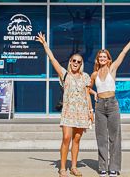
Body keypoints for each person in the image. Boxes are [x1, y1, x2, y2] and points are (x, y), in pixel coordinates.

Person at [37, 32, 92, 177]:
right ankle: (62, 168)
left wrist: (90, 111)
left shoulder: (85, 76)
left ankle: (74, 167)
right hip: (68, 111)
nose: (75, 63)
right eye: (73, 60)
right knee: (66, 137)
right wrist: (44, 44)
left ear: (81, 64)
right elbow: (53, 59)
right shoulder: (64, 74)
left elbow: (87, 95)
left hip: (81, 112)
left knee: (77, 139)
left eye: (78, 61)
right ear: (70, 62)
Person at [90, 29, 130, 177]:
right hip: (99, 107)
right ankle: (103, 167)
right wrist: (95, 94)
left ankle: (114, 167)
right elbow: (88, 89)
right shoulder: (94, 74)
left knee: (115, 137)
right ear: (97, 60)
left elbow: (123, 52)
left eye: (104, 57)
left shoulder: (112, 69)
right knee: (101, 137)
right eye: (100, 57)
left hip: (112, 105)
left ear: (109, 59)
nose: (102, 59)